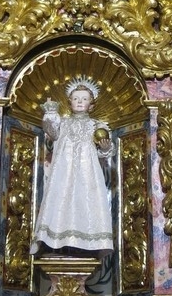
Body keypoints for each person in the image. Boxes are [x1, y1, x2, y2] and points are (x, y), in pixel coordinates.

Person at [30, 78, 114, 255]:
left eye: (84, 99)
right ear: (69, 102)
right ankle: (53, 241)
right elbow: (51, 132)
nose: (80, 102)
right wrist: (51, 113)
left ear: (91, 105)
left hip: (87, 175)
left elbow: (105, 151)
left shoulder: (97, 125)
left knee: (86, 203)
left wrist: (106, 148)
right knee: (60, 202)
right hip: (63, 172)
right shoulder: (63, 122)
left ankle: (87, 245)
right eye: (76, 98)